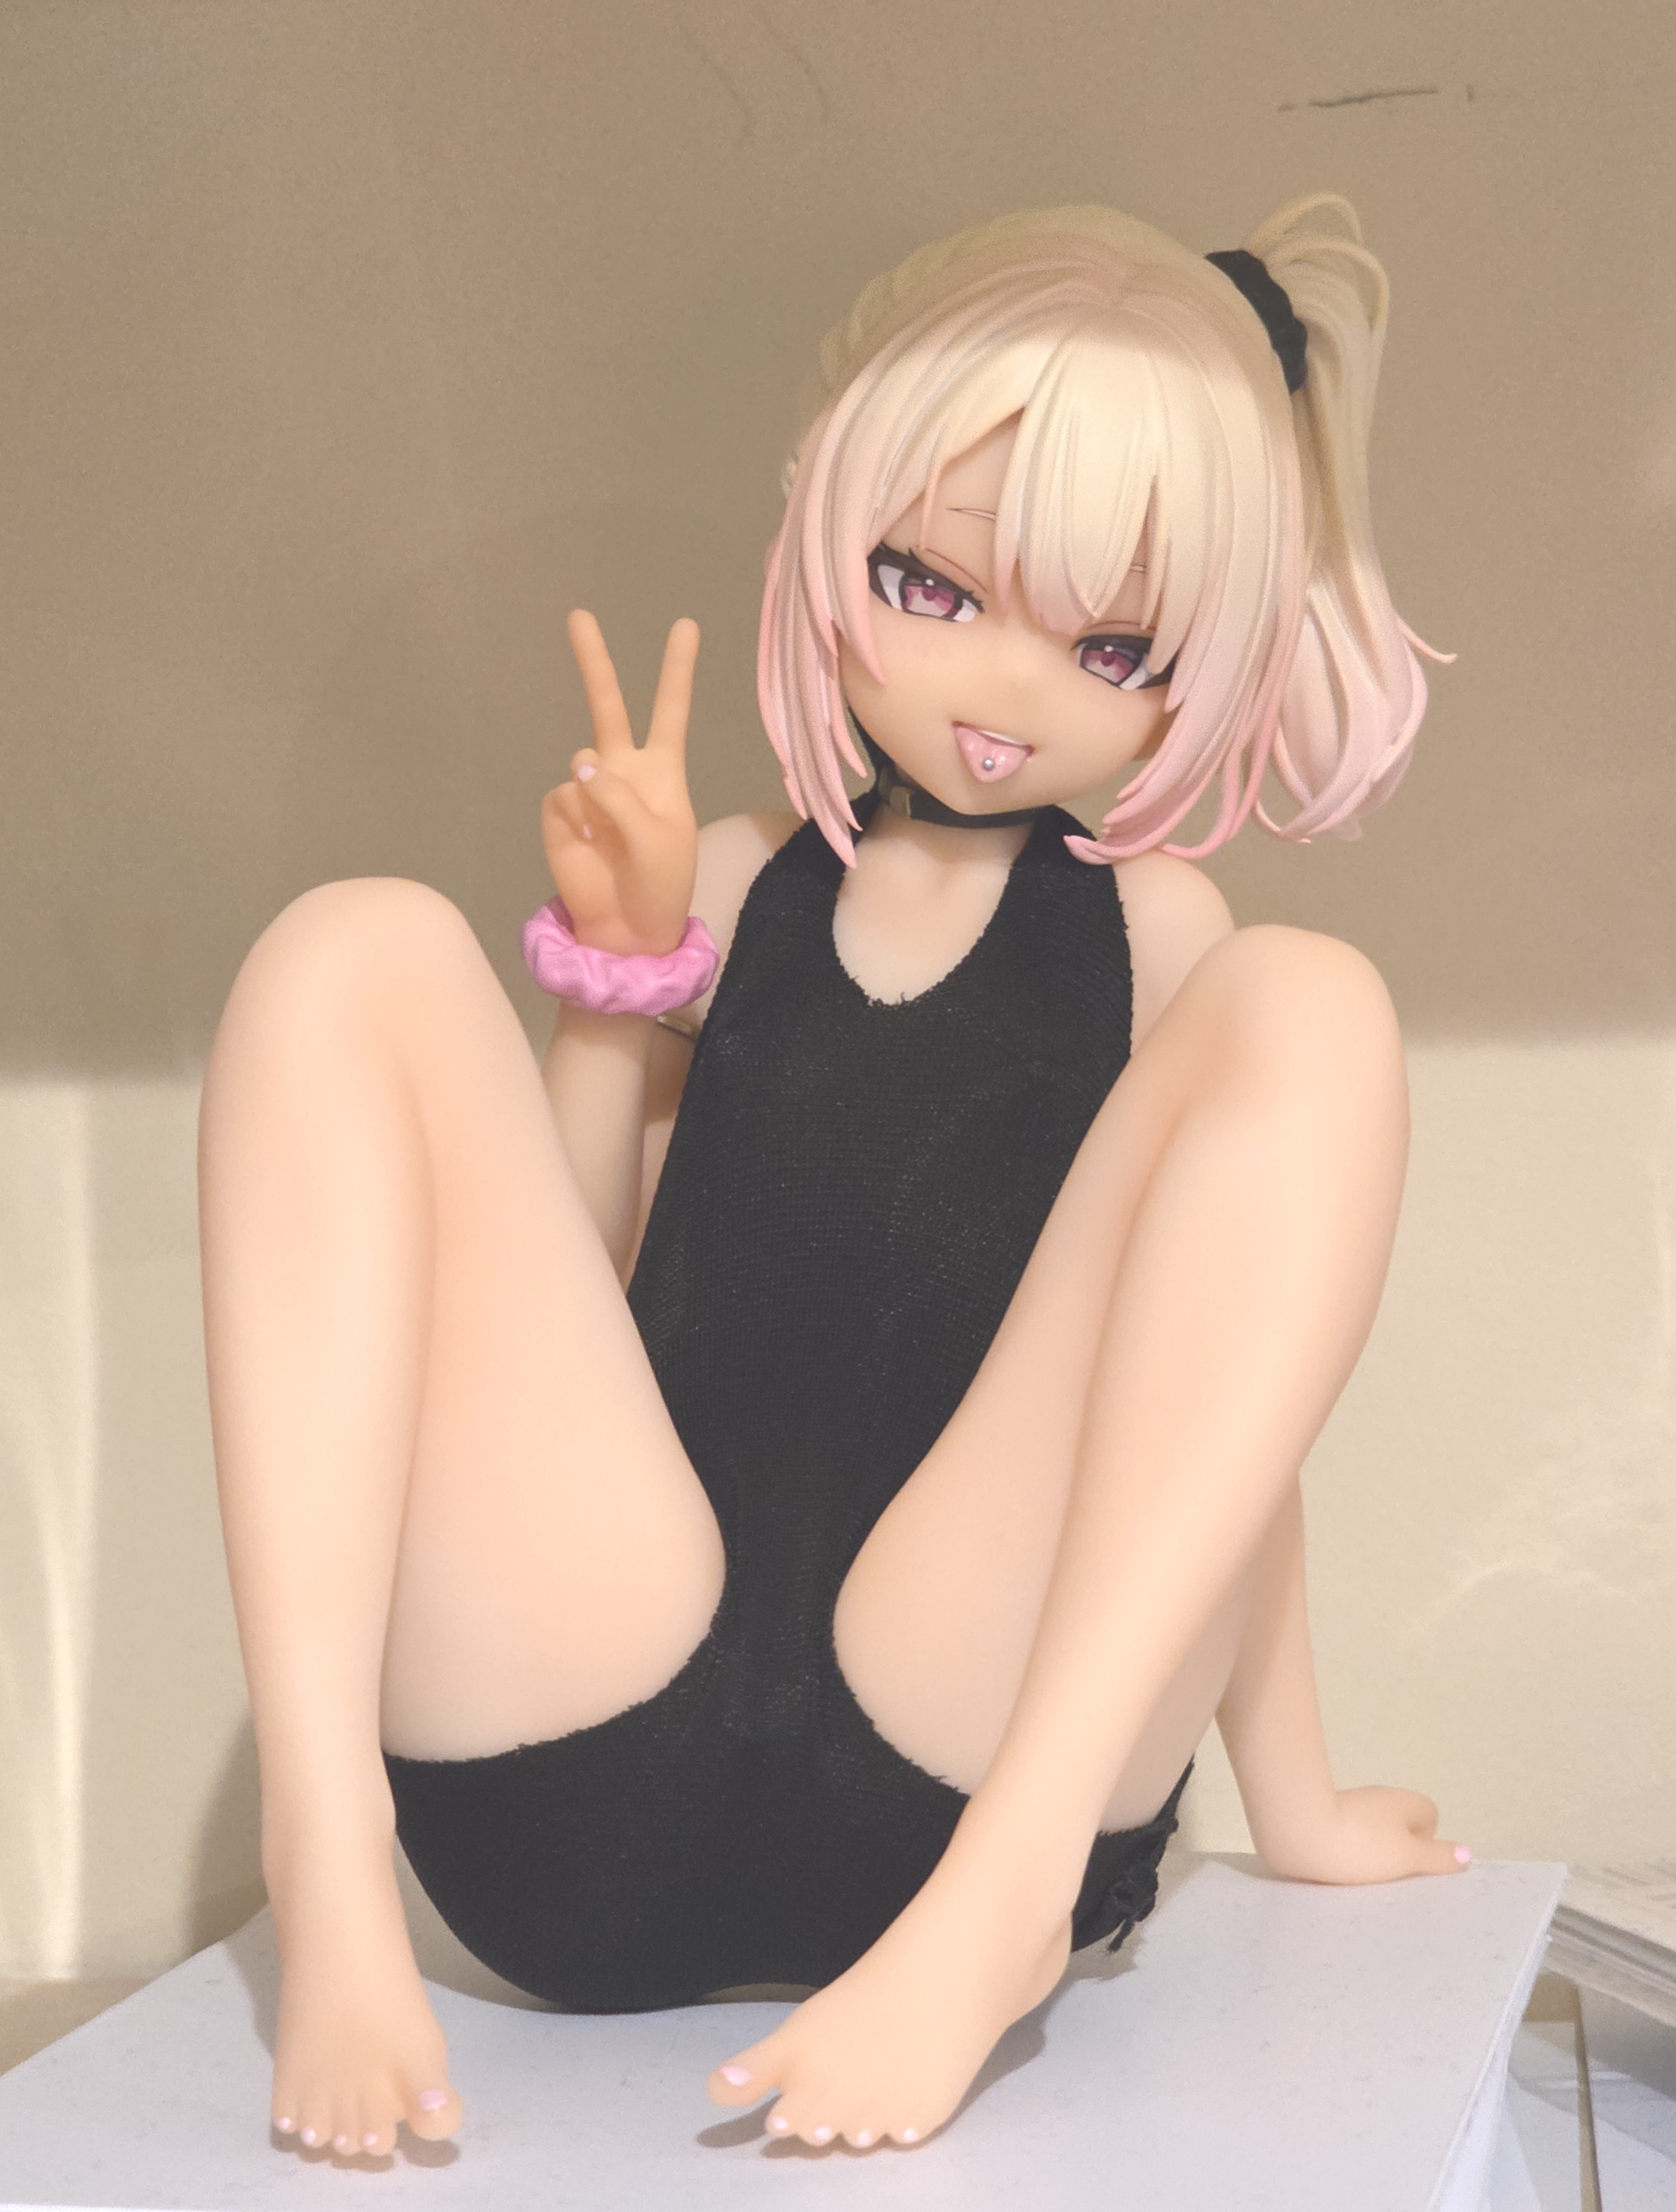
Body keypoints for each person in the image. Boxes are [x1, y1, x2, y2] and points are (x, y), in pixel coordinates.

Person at [198, 192, 1466, 2163]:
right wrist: (615, 986)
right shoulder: (732, 884)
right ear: (828, 519)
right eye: (929, 585)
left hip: (962, 1787)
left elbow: (1218, 1422)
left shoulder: (1162, 941)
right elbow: (548, 1307)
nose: (1007, 687)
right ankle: (327, 1845)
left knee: (1314, 1009)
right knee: (349, 946)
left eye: (1111, 642)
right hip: (575, 1785)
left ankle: (1006, 1909)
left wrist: (1289, 1797)